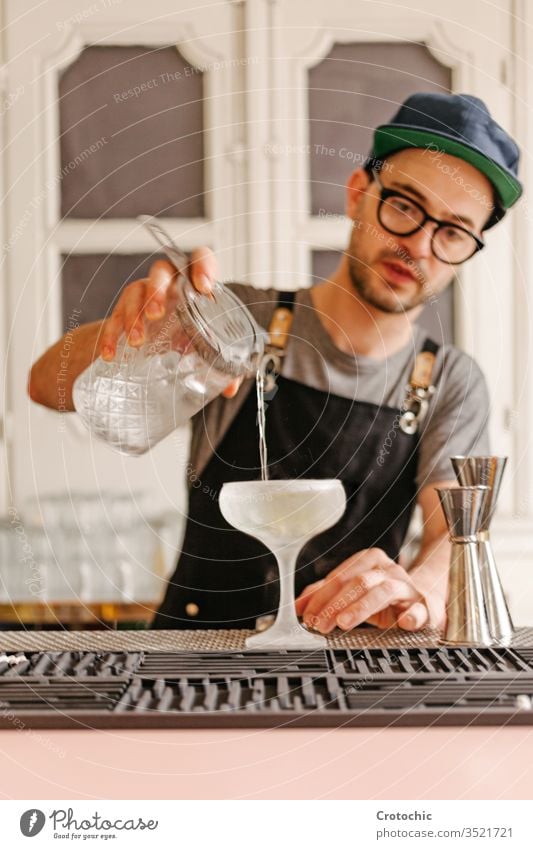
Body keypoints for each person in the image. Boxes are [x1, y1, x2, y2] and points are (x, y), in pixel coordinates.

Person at [28, 92, 522, 635]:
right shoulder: (242, 321)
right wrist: (132, 336)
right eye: (404, 205)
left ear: (470, 248)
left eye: (452, 231)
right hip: (192, 654)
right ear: (359, 193)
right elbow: (44, 385)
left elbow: (452, 539)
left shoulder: (450, 381)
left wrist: (420, 590)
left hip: (349, 665)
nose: (419, 246)